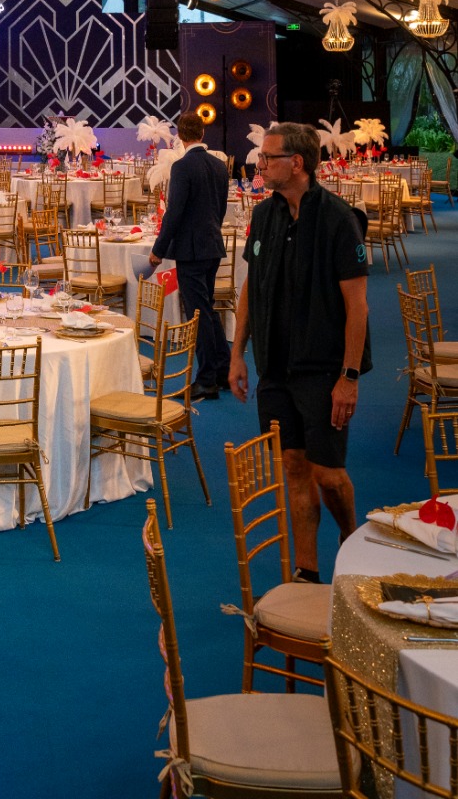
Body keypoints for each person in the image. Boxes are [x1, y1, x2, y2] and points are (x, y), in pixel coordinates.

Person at [230, 121, 370, 583]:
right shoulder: (265, 216)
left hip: (322, 369)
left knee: (328, 474)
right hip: (274, 366)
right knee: (292, 465)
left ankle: (352, 540)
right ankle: (307, 571)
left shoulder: (336, 218)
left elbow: (357, 305)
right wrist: (237, 354)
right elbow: (250, 286)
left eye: (268, 158)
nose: (260, 164)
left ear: (297, 163)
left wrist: (348, 377)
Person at [149, 111, 230, 399]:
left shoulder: (182, 168)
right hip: (212, 246)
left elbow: (175, 213)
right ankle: (223, 371)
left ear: (180, 137)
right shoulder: (220, 166)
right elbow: (220, 209)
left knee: (198, 313)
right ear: (203, 133)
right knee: (207, 309)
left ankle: (207, 379)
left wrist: (158, 251)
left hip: (192, 252)